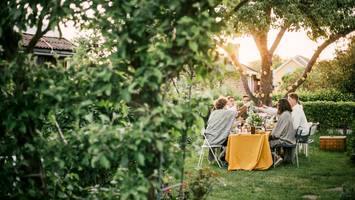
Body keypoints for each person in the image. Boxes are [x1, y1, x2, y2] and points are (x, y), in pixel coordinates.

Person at [205, 97, 237, 162]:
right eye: (227, 104)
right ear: (224, 105)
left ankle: (219, 157)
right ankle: (223, 157)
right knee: (233, 140)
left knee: (227, 136)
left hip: (209, 138)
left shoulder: (213, 113)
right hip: (217, 138)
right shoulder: (225, 112)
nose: (227, 106)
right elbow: (236, 113)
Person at [269, 98, 296, 166]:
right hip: (290, 138)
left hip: (285, 140)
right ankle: (278, 156)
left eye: (278, 105)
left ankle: (277, 158)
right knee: (270, 139)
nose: (277, 107)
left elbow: (276, 133)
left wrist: (271, 135)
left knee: (266, 144)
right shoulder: (288, 113)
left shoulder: (284, 115)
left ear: (281, 106)